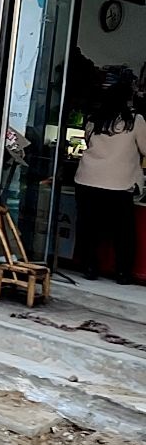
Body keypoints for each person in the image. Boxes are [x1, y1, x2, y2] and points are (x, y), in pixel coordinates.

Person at [74, 66, 146, 284]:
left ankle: (89, 267)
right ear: (128, 98)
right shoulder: (135, 121)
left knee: (88, 227)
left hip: (87, 179)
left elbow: (87, 141)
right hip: (118, 184)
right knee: (123, 232)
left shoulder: (95, 118)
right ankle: (123, 273)